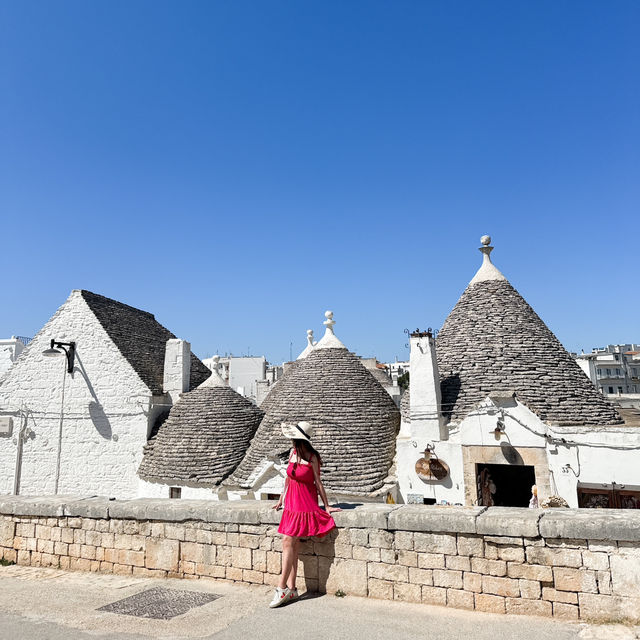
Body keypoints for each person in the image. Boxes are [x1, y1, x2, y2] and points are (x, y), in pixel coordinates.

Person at [269, 421, 341, 608]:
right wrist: (280, 500)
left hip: (305, 503)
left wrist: (326, 506)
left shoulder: (312, 457)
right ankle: (292, 589)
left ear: (301, 440)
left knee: (288, 541)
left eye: (294, 438)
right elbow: (288, 479)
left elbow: (318, 482)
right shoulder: (293, 453)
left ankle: (281, 587)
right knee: (291, 543)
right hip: (291, 503)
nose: (292, 441)